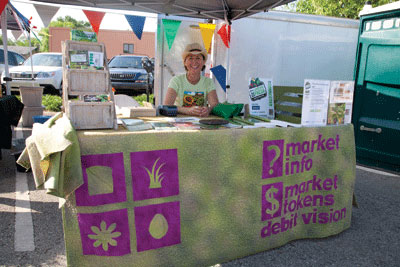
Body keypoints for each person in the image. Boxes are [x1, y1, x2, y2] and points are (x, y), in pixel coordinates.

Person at [163, 43, 219, 117]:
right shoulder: (176, 81)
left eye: (198, 58)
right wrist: (187, 110)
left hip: (202, 124)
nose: (194, 62)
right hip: (180, 124)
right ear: (185, 62)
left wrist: (208, 110)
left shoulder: (208, 82)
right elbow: (166, 106)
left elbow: (215, 106)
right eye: (191, 58)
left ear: (203, 62)